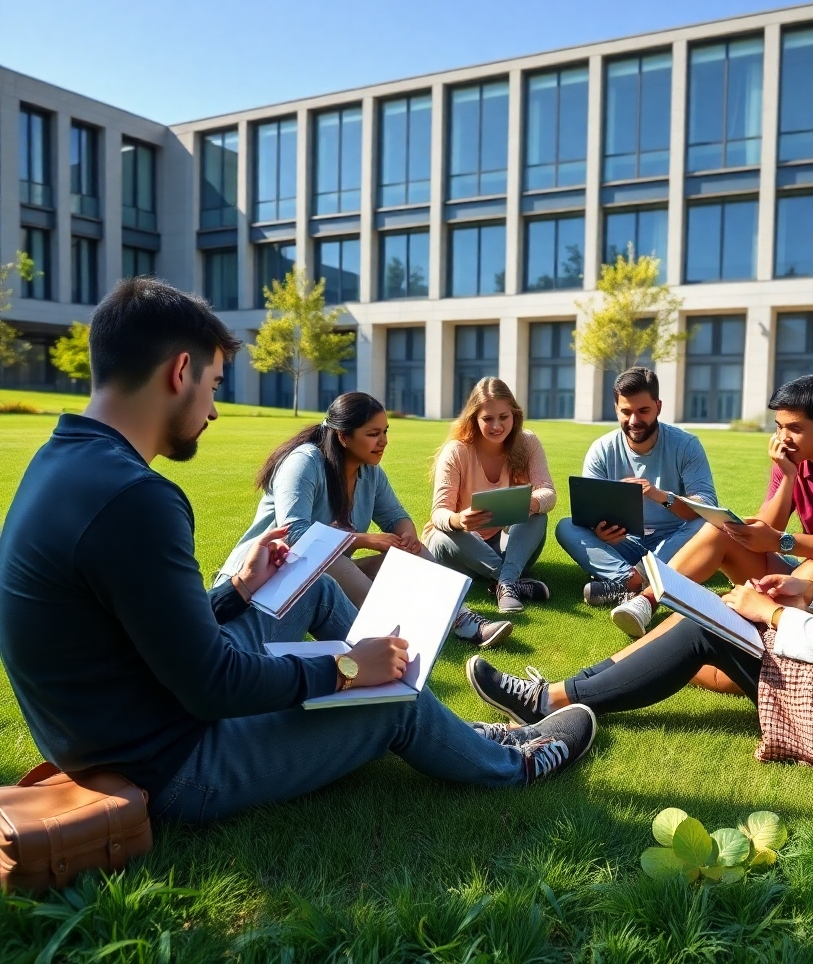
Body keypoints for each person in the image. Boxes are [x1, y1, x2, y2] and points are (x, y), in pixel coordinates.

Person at [0, 278, 597, 827]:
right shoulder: (138, 499)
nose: (210, 410)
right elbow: (213, 686)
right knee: (382, 701)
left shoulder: (62, 461)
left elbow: (149, 633)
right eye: (212, 386)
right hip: (169, 766)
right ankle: (513, 765)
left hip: (132, 718)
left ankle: (444, 727)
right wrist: (345, 669)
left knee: (312, 589)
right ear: (180, 371)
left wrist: (235, 591)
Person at [467, 358, 813, 796]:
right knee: (716, 617)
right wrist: (810, 589)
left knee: (714, 625)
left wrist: (777, 612)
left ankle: (549, 700)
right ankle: (576, 678)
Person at [609, 375, 813, 656]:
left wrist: (782, 542)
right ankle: (646, 601)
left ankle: (739, 640)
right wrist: (788, 479)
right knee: (719, 533)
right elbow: (770, 527)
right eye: (779, 426)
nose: (782, 438)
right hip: (810, 568)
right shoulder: (791, 458)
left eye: (794, 428)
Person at [217, 391, 511, 648]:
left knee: (414, 551)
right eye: (373, 434)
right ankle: (384, 633)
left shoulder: (369, 472)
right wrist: (365, 539)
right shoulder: (304, 462)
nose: (383, 441)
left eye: (385, 432)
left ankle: (462, 620)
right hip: (262, 579)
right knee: (328, 555)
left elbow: (396, 517)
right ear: (344, 437)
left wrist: (406, 538)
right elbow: (295, 533)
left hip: (319, 577)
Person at [554, 367, 717, 607]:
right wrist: (599, 532)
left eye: (643, 411)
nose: (634, 421)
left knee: (708, 523)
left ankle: (628, 582)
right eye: (626, 412)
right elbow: (589, 510)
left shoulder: (686, 445)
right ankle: (632, 580)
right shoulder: (602, 449)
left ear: (658, 407)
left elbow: (707, 505)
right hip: (625, 543)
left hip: (674, 541)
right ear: (616, 410)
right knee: (566, 526)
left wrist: (659, 495)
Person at [423, 378, 555, 614]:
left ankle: (505, 581)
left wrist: (533, 503)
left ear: (514, 415)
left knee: (538, 515)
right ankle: (510, 581)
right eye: (487, 419)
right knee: (444, 535)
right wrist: (458, 520)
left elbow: (548, 491)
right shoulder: (457, 450)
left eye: (503, 417)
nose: (496, 426)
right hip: (460, 548)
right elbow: (439, 512)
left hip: (500, 542)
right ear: (474, 418)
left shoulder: (528, 442)